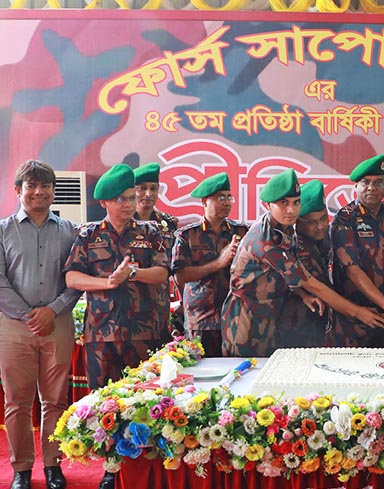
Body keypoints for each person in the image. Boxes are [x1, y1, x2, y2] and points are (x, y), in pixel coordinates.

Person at [63, 164, 169, 489]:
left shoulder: (151, 233)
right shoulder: (88, 234)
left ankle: (144, 469)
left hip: (144, 333)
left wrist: (132, 273)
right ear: (104, 202)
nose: (129, 203)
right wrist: (107, 282)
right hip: (101, 334)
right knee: (105, 403)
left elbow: (162, 274)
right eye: (121, 198)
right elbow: (71, 277)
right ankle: (111, 468)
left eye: (131, 197)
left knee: (145, 402)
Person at [222, 169, 384, 357]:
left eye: (296, 202)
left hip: (271, 317)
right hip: (245, 321)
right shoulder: (267, 239)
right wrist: (359, 313)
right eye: (283, 203)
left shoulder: (284, 228)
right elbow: (311, 283)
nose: (291, 210)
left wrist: (302, 294)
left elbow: (286, 274)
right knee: (247, 372)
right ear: (268, 205)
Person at [0, 160, 80, 489]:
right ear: (18, 191)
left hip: (57, 324)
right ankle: (21, 469)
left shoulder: (70, 230)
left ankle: (52, 465)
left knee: (56, 400)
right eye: (31, 186)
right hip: (13, 326)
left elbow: (76, 279)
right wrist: (28, 315)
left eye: (45, 186)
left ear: (53, 191)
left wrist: (53, 310)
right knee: (17, 401)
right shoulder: (3, 230)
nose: (39, 192)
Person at [330, 155, 384, 347]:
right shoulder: (344, 219)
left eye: (378, 183)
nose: (371, 187)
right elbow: (352, 270)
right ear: (356, 186)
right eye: (366, 182)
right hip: (354, 318)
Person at [171, 172, 248, 357]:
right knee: (201, 369)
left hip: (235, 318)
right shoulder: (188, 235)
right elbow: (180, 276)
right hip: (201, 320)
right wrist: (218, 263)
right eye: (220, 198)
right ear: (204, 202)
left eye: (229, 197)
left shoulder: (241, 232)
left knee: (236, 369)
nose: (227, 202)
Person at [276, 179, 333, 347]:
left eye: (323, 218)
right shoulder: (290, 246)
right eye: (311, 222)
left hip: (323, 326)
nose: (320, 226)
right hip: (295, 327)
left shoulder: (332, 237)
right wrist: (358, 312)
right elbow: (317, 287)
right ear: (298, 222)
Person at [133, 162, 179, 338]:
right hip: (128, 307)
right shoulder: (122, 222)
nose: (148, 194)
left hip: (158, 306)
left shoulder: (169, 224)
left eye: (153, 188)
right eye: (142, 188)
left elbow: (176, 265)